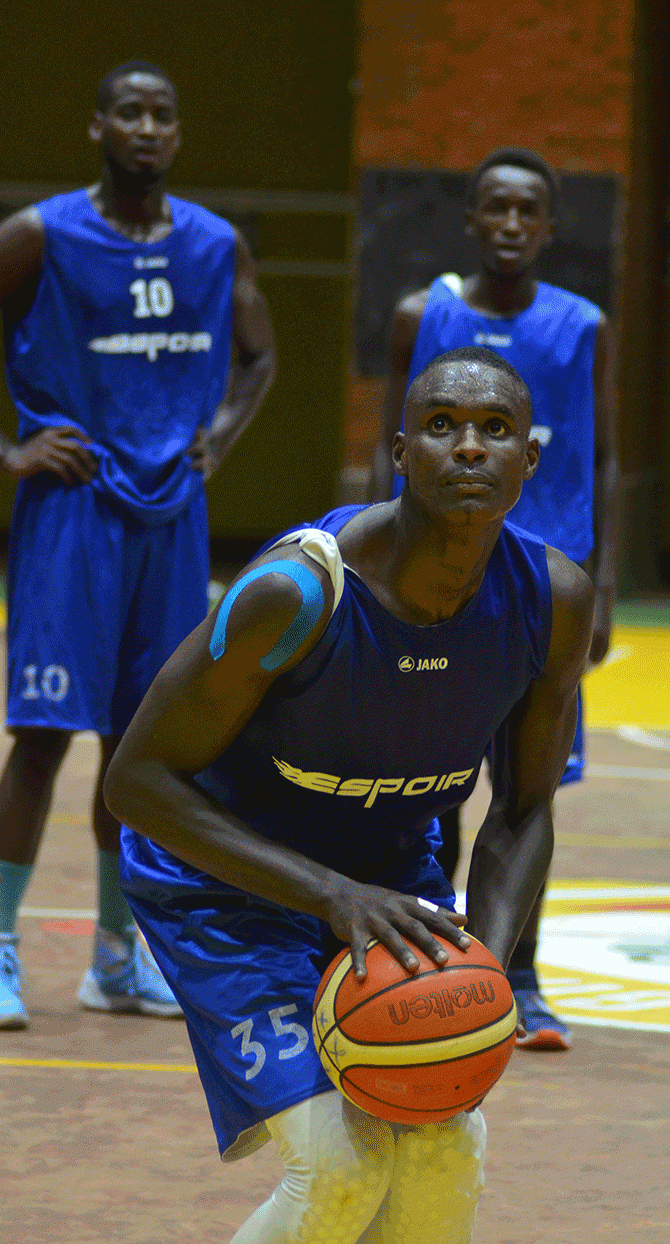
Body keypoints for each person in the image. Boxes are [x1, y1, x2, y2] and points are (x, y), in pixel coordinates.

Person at [103, 347, 593, 1243]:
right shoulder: (296, 593)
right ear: (398, 455)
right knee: (340, 1168)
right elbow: (136, 784)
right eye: (442, 426)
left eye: (495, 430)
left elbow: (525, 809)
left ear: (531, 460)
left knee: (446, 1149)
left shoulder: (554, 601)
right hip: (225, 889)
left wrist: (475, 968)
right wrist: (330, 894)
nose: (470, 448)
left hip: (388, 886)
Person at [0, 61, 275, 1029]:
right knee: (39, 739)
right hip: (70, 512)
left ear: (177, 132)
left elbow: (259, 354)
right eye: (130, 110)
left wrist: (219, 438)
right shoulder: (39, 235)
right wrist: (14, 448)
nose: (147, 126)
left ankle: (118, 957)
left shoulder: (214, 242)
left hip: (172, 516)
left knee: (141, 743)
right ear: (97, 126)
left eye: (163, 112)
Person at [371, 147, 619, 1050]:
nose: (512, 226)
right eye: (496, 210)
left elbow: (605, 456)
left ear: (550, 227)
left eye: (529, 212)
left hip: (540, 594)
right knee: (428, 784)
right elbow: (385, 454)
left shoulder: (583, 325)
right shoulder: (421, 315)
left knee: (527, 788)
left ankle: (520, 974)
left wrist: (607, 587)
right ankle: (426, 960)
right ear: (471, 221)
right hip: (436, 582)